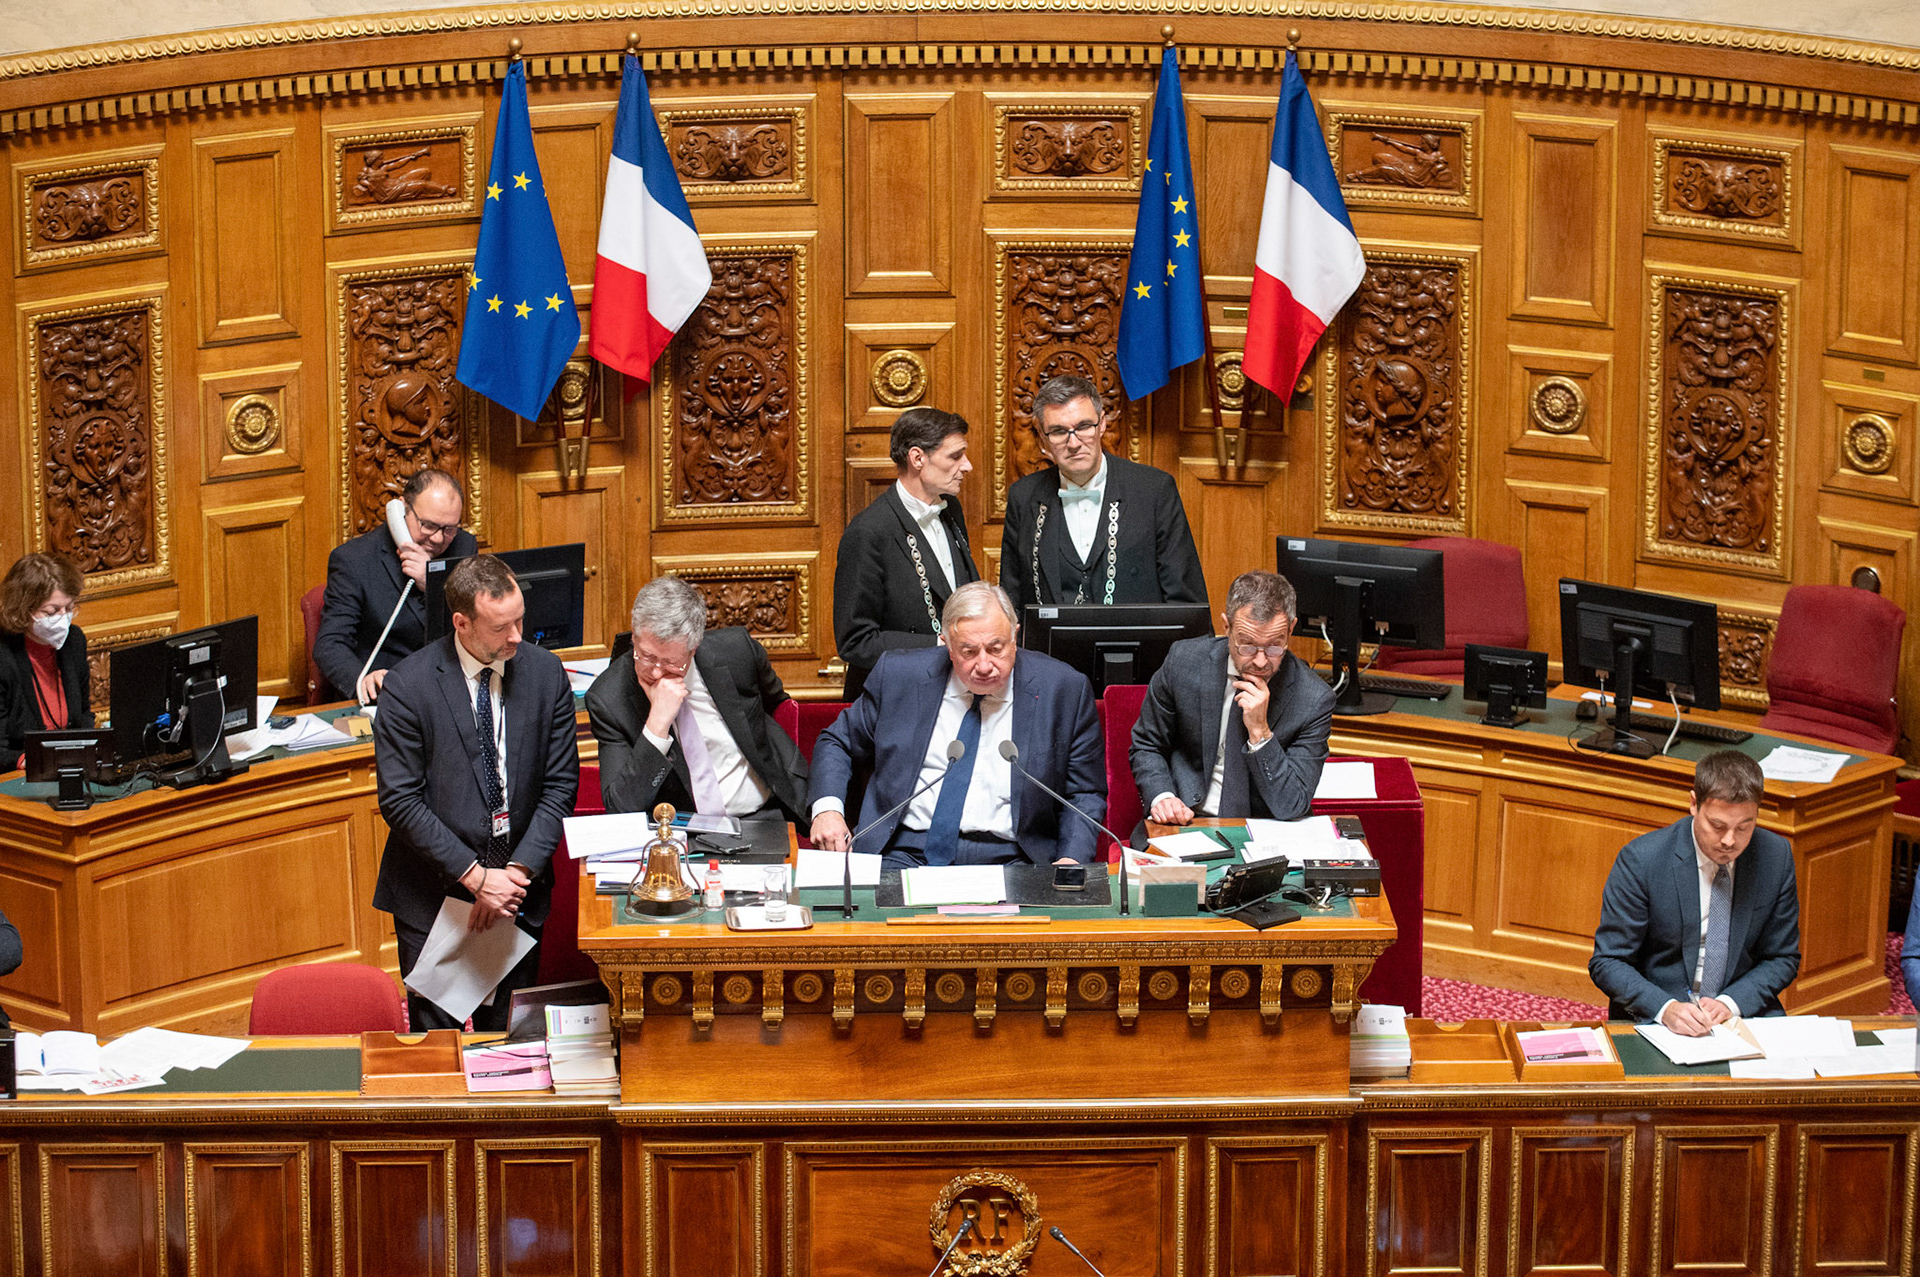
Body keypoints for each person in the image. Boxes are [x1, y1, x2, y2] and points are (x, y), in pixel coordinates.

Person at [372, 554, 579, 1032]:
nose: (516, 637)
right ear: (462, 623)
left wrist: (513, 875)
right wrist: (475, 877)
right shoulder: (409, 686)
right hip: (435, 896)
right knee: (437, 1050)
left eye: (520, 620)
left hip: (518, 895)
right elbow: (401, 800)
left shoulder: (546, 675)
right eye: (500, 627)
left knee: (510, 1044)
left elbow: (560, 784)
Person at [809, 581, 1105, 872]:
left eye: (996, 648)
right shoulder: (900, 677)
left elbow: (1084, 793)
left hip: (1014, 858)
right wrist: (827, 810)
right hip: (904, 853)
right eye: (969, 651)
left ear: (1015, 637)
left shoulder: (1063, 689)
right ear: (947, 645)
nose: (985, 664)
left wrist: (1071, 859)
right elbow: (837, 742)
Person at [1589, 750, 1800, 1035]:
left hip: (1741, 1013)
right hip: (1658, 1016)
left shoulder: (1776, 856)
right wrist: (1665, 1009)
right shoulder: (1643, 860)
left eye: (1744, 827)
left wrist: (1730, 1002)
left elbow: (1782, 957)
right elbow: (1608, 961)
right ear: (1693, 804)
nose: (1729, 841)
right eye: (1717, 825)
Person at [587, 576, 809, 821]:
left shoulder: (738, 652)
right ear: (634, 637)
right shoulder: (608, 698)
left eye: (671, 662)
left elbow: (778, 706)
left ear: (694, 647)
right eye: (647, 657)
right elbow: (620, 809)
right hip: (682, 830)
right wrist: (657, 726)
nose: (657, 671)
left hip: (764, 813)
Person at [1129, 569, 1334, 830]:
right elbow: (1147, 744)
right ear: (1227, 627)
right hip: (1185, 823)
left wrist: (1261, 734)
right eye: (1247, 645)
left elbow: (1291, 804)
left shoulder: (1313, 699)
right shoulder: (1184, 662)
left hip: (1264, 832)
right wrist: (1162, 796)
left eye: (1274, 646)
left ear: (1291, 629)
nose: (1260, 661)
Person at [999, 375, 1207, 616]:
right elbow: (1011, 605)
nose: (1074, 443)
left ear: (1103, 424)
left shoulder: (1154, 490)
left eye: (1084, 426)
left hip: (1138, 650)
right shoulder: (1023, 497)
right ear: (1043, 437)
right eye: (1058, 431)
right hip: (1048, 652)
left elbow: (1186, 602)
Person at [832, 407, 979, 702]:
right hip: (895, 700)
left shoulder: (951, 509)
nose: (967, 466)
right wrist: (939, 645)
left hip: (954, 692)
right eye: (955, 456)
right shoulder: (868, 531)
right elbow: (855, 641)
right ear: (917, 458)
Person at [314, 467, 478, 705]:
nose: (438, 539)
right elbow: (330, 643)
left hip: (451, 692)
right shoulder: (354, 560)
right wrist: (363, 681)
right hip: (389, 695)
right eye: (428, 525)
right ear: (401, 509)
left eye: (448, 529)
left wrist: (432, 584)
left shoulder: (463, 547)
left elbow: (474, 624)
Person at [0, 553, 92, 771]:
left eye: (69, 609)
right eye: (52, 611)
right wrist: (23, 760)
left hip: (72, 768)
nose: (63, 619)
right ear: (23, 609)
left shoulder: (74, 641)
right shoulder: (4, 657)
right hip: (17, 778)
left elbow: (85, 714)